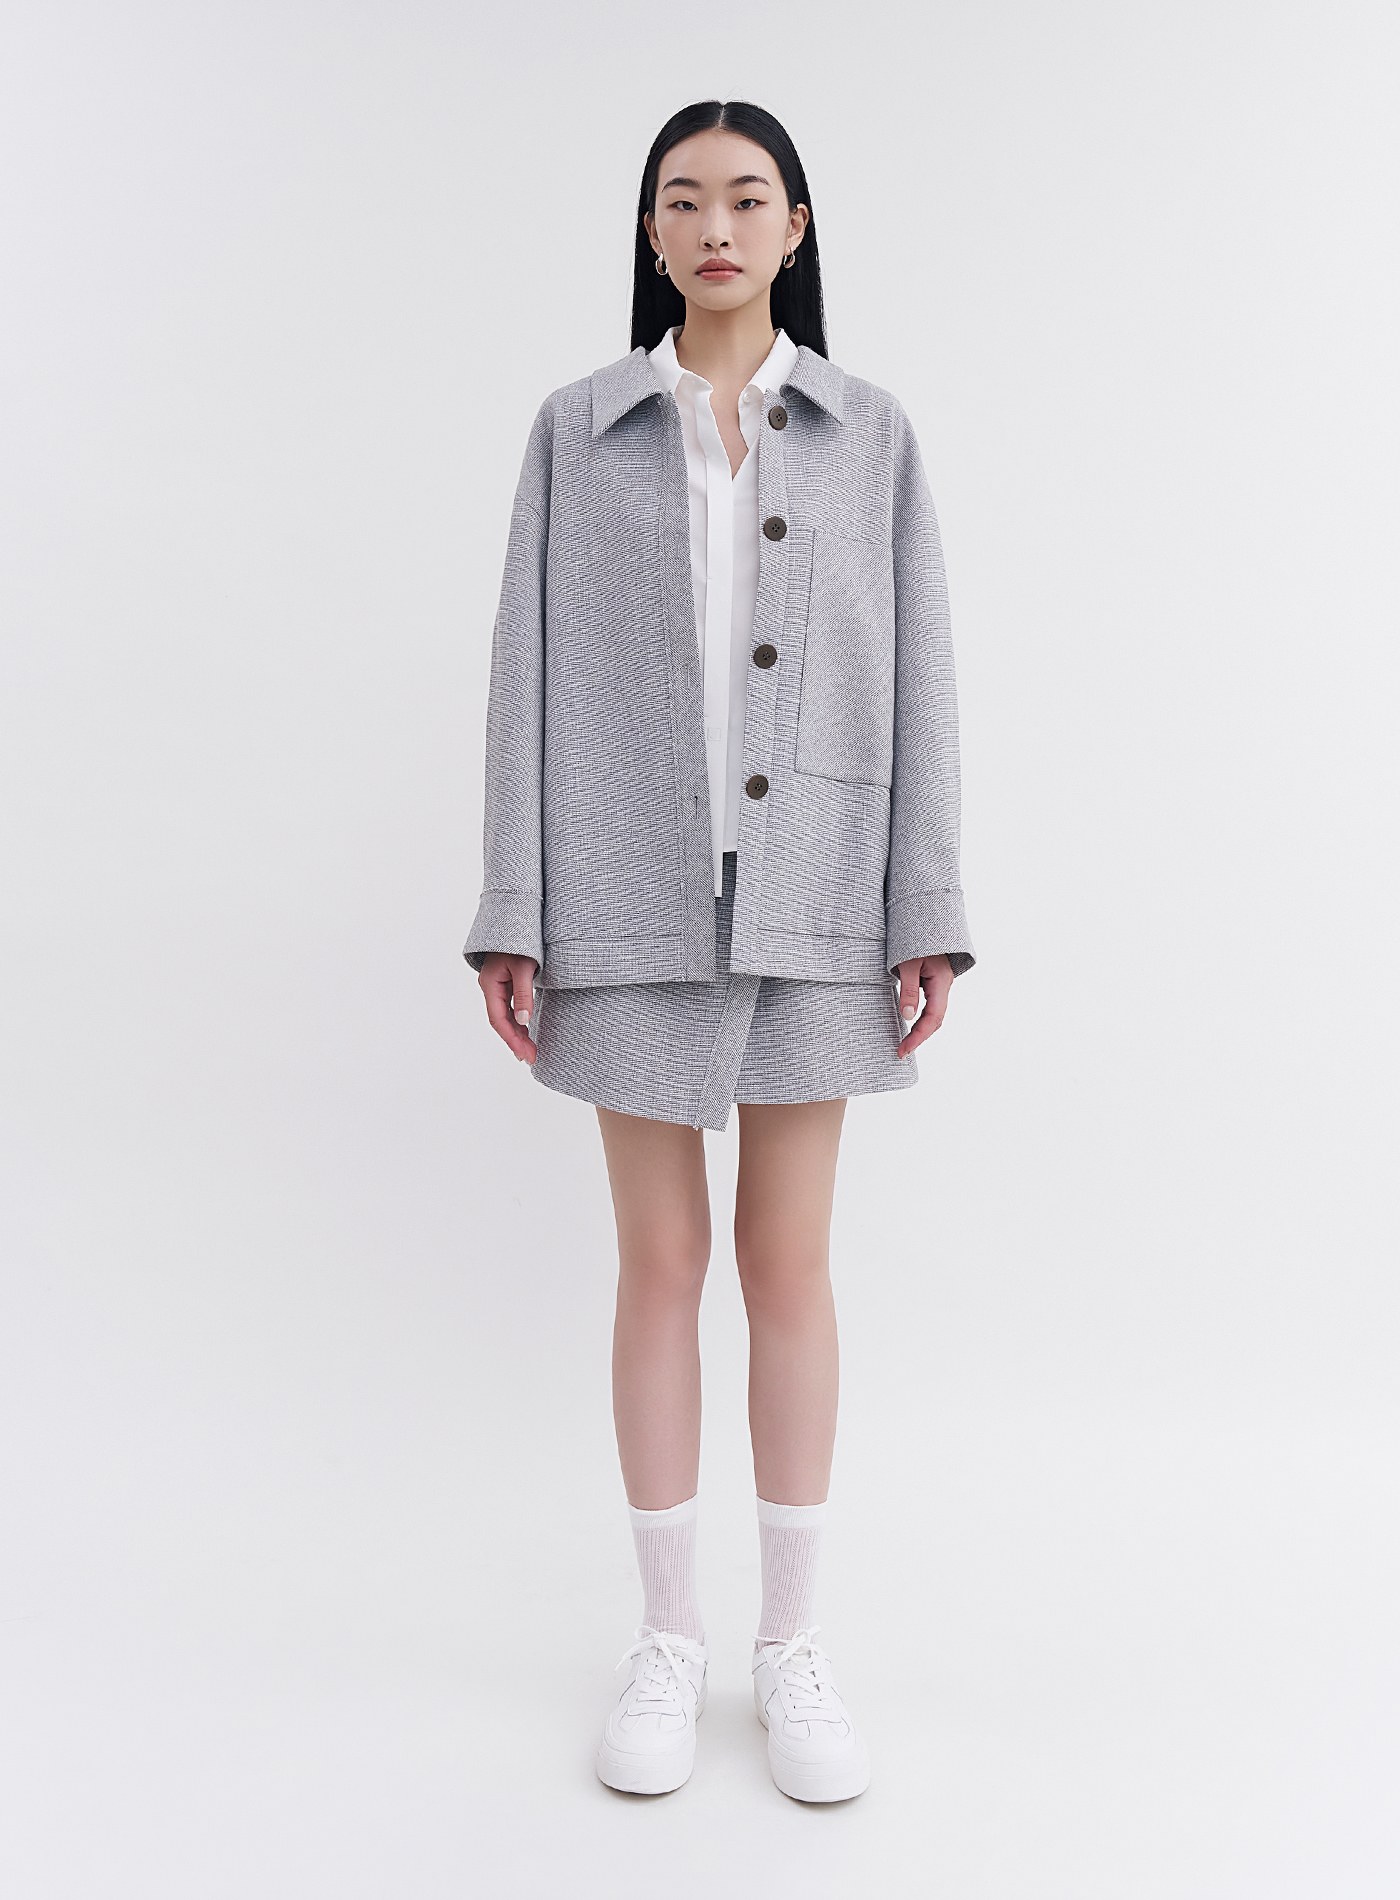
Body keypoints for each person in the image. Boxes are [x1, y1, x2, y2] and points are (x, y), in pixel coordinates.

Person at [463, 99, 975, 1804]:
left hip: (820, 886)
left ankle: (793, 1642)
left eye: (749, 199)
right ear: (653, 231)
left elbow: (923, 674)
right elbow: (522, 672)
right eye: (684, 201)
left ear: (796, 228)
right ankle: (671, 1636)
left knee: (788, 1262)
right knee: (661, 1260)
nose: (717, 227)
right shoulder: (580, 429)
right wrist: (515, 905)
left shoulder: (869, 434)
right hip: (626, 893)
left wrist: (927, 906)